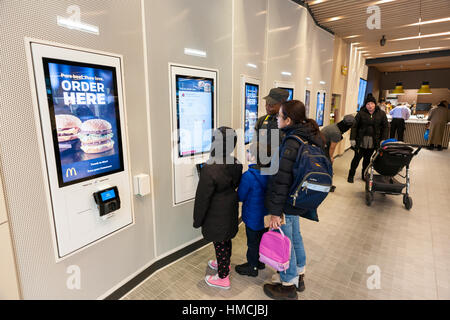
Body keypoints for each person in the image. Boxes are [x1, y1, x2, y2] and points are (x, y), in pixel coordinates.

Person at [263, 100, 325, 300]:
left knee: (285, 239)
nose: (277, 119)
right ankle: (299, 272)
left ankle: (288, 285)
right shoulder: (310, 134)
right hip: (301, 197)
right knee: (295, 235)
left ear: (288, 120)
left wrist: (275, 212)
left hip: (289, 199)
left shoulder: (291, 142)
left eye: (280, 116)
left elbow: (281, 180)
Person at [193, 127, 243, 290]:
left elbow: (202, 198)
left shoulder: (210, 168)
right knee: (225, 239)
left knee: (219, 242)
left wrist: (197, 220)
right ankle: (224, 264)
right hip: (229, 209)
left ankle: (223, 277)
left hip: (216, 213)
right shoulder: (235, 162)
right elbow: (235, 184)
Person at [235, 143, 269, 277]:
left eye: (248, 152)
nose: (247, 154)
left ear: (254, 157)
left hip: (252, 218)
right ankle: (260, 262)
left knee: (252, 243)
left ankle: (252, 267)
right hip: (265, 216)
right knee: (261, 240)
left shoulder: (248, 176)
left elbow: (241, 196)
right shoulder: (270, 173)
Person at [347, 95, 388, 183]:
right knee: (356, 158)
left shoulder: (381, 113)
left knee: (367, 159)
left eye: (372, 103)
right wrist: (352, 139)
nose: (370, 106)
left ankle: (364, 175)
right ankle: (351, 175)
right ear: (365, 105)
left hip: (374, 141)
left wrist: (383, 139)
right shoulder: (361, 113)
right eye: (368, 104)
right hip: (361, 140)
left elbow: (385, 127)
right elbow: (354, 126)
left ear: (375, 104)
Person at [321, 114, 355, 192]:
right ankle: (327, 185)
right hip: (322, 146)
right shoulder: (336, 133)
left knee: (326, 165)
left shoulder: (336, 125)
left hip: (321, 143)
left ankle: (324, 182)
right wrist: (331, 157)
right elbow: (332, 147)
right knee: (328, 164)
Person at [253, 88, 290, 160]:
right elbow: (255, 142)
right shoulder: (261, 121)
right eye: (266, 103)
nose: (267, 107)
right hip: (261, 163)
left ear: (282, 104)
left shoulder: (288, 123)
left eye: (271, 105)